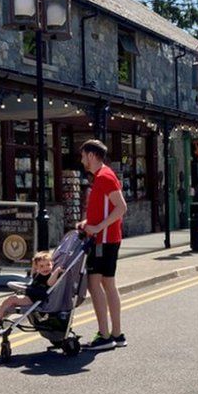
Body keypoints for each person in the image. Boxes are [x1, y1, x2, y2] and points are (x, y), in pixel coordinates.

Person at [77, 140, 127, 351]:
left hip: (103, 241)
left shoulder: (105, 177)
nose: (81, 160)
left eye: (82, 156)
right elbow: (106, 209)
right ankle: (116, 333)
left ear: (91, 155)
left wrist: (97, 228)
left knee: (93, 283)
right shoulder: (102, 177)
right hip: (106, 239)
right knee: (107, 284)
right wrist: (89, 223)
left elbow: (121, 207)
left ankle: (105, 336)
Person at [0, 251, 64, 320]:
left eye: (48, 265)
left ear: (52, 264)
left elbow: (50, 283)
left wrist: (57, 271)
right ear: (37, 267)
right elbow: (33, 269)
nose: (45, 268)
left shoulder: (50, 276)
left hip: (35, 299)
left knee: (11, 299)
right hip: (30, 295)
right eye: (41, 266)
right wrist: (34, 262)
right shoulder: (37, 274)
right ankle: (0, 317)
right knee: (4, 305)